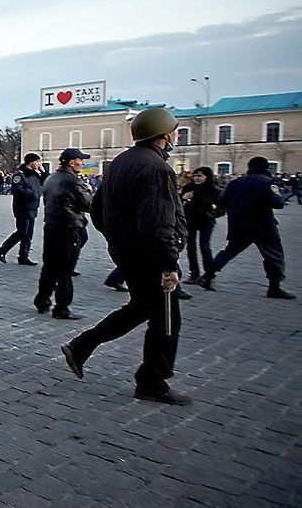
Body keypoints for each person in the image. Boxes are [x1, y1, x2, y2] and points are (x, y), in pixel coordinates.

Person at [62, 107, 190, 405]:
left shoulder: (121, 161)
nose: (175, 135)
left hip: (129, 252)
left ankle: (82, 346)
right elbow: (158, 221)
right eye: (173, 130)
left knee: (142, 307)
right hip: (151, 255)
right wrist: (168, 263)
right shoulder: (156, 168)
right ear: (163, 134)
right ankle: (152, 381)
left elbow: (98, 210)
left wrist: (117, 239)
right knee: (166, 319)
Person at [198, 156, 294, 299]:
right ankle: (274, 287)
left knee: (229, 252)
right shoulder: (267, 182)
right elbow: (278, 202)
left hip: (239, 225)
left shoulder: (235, 183)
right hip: (263, 226)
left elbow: (221, 201)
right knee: (274, 255)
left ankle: (207, 275)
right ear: (265, 167)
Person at [34, 148, 92, 320]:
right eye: (81, 160)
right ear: (72, 162)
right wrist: (88, 190)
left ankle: (42, 300)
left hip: (51, 226)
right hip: (69, 228)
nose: (82, 163)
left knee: (49, 266)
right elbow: (88, 204)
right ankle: (62, 308)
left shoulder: (51, 178)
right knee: (66, 269)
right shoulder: (74, 182)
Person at [0, 153, 46, 266]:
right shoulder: (20, 175)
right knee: (22, 232)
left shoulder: (34, 175)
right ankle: (2, 250)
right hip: (22, 207)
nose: (39, 164)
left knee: (28, 233)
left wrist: (43, 172)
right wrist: (31, 193)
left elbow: (44, 182)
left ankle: (23, 256)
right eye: (37, 162)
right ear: (31, 162)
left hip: (33, 207)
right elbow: (17, 190)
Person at [180, 166, 222, 284]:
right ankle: (194, 273)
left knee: (205, 246)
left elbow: (221, 208)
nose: (196, 178)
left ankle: (209, 272)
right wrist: (184, 198)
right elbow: (179, 203)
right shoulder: (188, 188)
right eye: (195, 175)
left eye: (200, 176)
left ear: (207, 177)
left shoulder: (214, 190)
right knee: (190, 247)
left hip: (206, 221)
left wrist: (212, 213)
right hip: (190, 220)